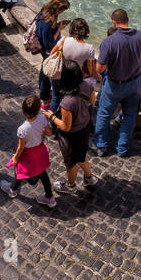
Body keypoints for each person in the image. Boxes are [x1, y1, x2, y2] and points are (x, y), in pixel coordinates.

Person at [45, 62, 97, 194]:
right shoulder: (88, 84)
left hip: (71, 136)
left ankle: (70, 186)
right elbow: (92, 101)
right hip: (84, 127)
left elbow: (65, 126)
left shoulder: (67, 102)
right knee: (81, 155)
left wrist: (51, 116)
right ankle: (89, 178)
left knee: (71, 163)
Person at [0, 94, 57, 207]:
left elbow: (21, 147)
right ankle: (50, 198)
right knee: (42, 173)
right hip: (40, 151)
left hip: (28, 155)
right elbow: (49, 133)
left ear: (23, 110)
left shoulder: (22, 129)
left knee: (20, 173)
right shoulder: (42, 118)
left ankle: (12, 189)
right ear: (38, 110)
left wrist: (15, 157)